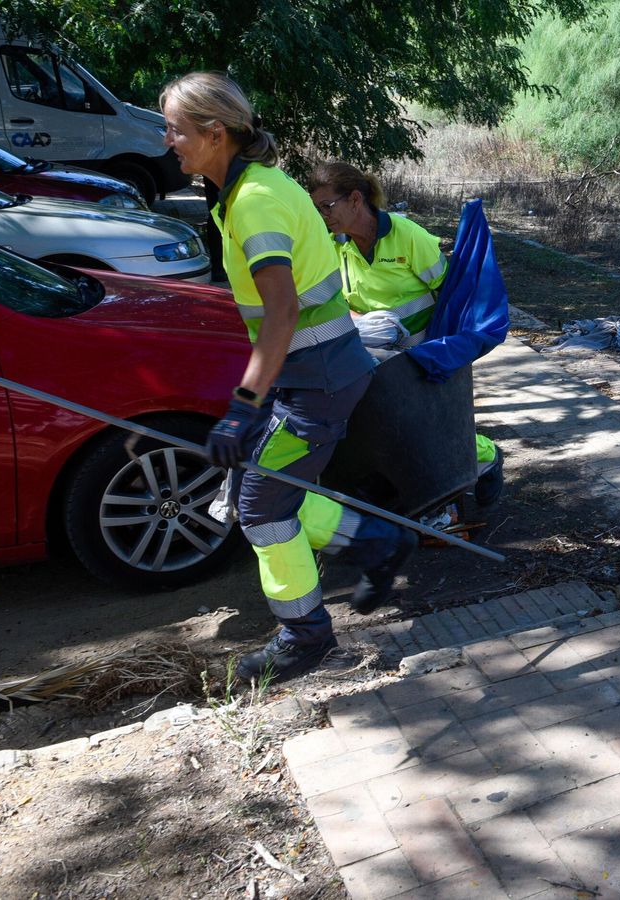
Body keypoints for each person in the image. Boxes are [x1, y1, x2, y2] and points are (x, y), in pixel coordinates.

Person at [160, 73, 417, 681]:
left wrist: (243, 406)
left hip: (319, 380)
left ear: (214, 132)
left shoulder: (253, 201)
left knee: (260, 508)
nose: (166, 141)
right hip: (313, 374)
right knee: (270, 489)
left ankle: (306, 637)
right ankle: (377, 543)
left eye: (175, 129)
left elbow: (281, 310)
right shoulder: (246, 189)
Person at [305, 162, 504, 508]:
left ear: (355, 199)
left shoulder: (407, 236)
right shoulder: (335, 246)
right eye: (317, 208)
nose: (323, 215)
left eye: (327, 206)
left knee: (426, 429)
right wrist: (366, 322)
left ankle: (485, 458)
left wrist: (447, 353)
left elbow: (453, 294)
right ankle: (400, 491)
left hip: (423, 351)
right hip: (377, 353)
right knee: (386, 426)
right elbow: (338, 301)